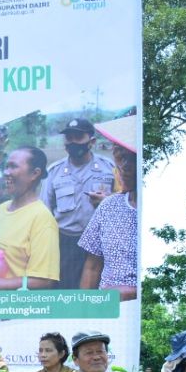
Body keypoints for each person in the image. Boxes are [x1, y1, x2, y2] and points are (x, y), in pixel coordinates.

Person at [0, 146, 59, 290]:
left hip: (10, 307)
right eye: (6, 166)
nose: (6, 172)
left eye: (13, 167)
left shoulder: (42, 219)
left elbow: (44, 280)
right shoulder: (1, 209)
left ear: (34, 174)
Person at [42, 117, 116, 289]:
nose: (73, 142)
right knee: (64, 293)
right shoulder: (54, 172)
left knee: (93, 296)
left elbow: (122, 204)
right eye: (69, 137)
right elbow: (44, 214)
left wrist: (106, 202)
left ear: (92, 141)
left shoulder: (109, 169)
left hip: (99, 243)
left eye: (78, 137)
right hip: (64, 243)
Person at [79, 115, 138, 300]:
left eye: (133, 158)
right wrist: (83, 312)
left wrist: (130, 293)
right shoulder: (109, 206)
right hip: (105, 314)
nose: (125, 167)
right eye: (120, 155)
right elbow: (92, 266)